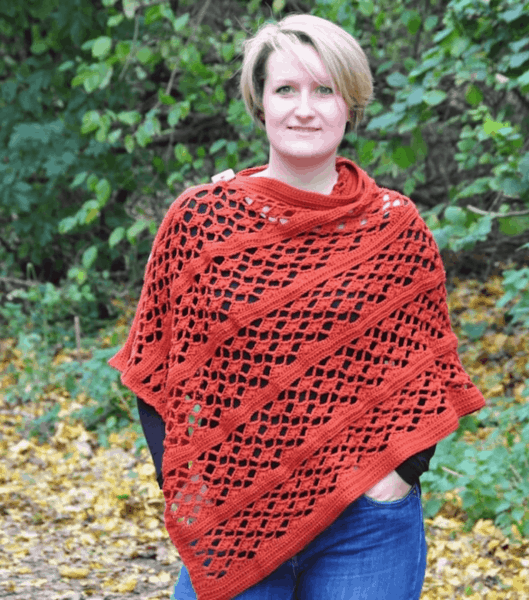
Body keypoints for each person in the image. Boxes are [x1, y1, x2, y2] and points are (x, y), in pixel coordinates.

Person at [109, 13, 485, 600]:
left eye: (324, 89)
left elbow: (425, 365)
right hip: (231, 519)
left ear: (349, 104)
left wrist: (397, 476)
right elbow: (157, 365)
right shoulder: (203, 220)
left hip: (366, 524)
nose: (304, 108)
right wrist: (191, 490)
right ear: (260, 103)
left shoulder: (395, 227)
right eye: (286, 89)